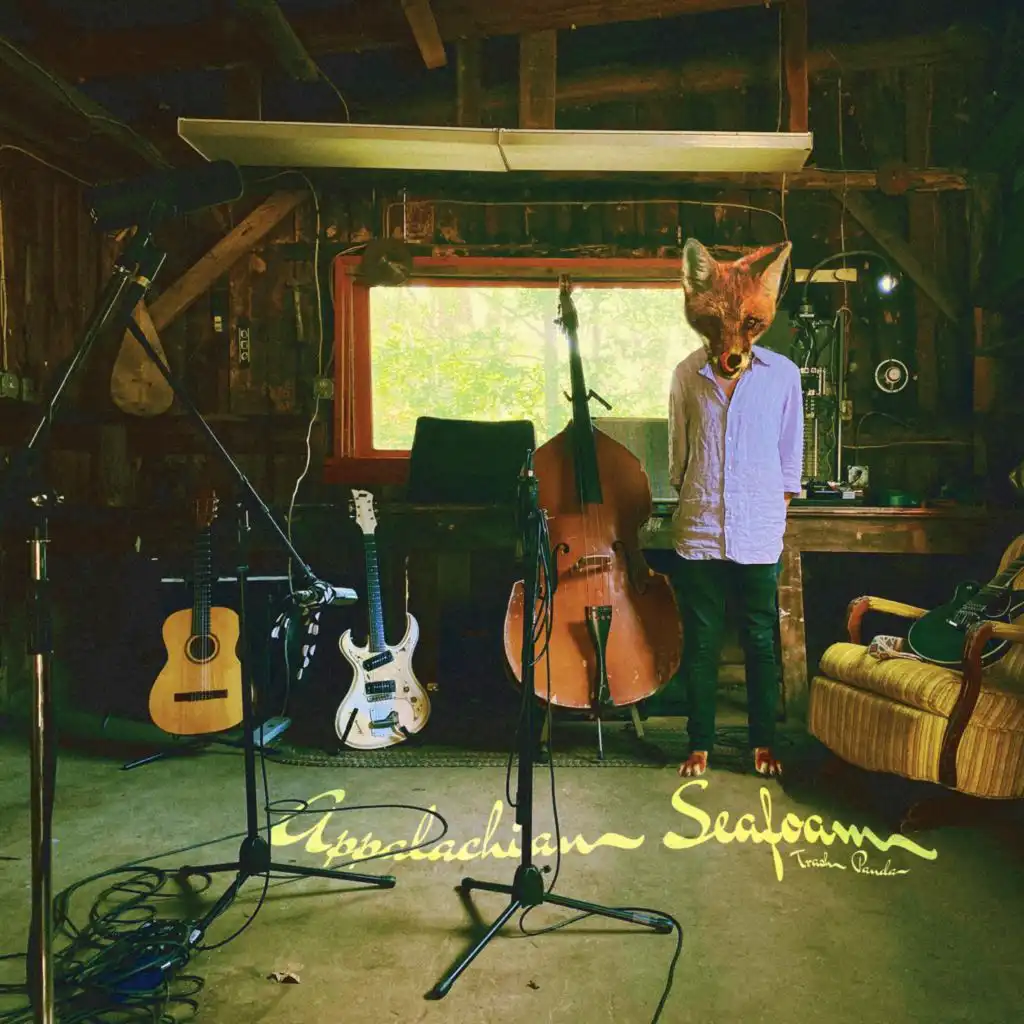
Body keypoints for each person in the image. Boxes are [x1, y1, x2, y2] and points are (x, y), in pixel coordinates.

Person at [668, 238, 803, 780]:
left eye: (748, 325)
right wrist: (692, 494)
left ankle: (762, 743)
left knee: (760, 640)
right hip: (700, 529)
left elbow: (789, 459)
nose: (734, 340)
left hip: (758, 531)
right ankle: (698, 743)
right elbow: (679, 456)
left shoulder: (783, 375)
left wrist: (770, 509)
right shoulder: (687, 375)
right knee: (701, 644)